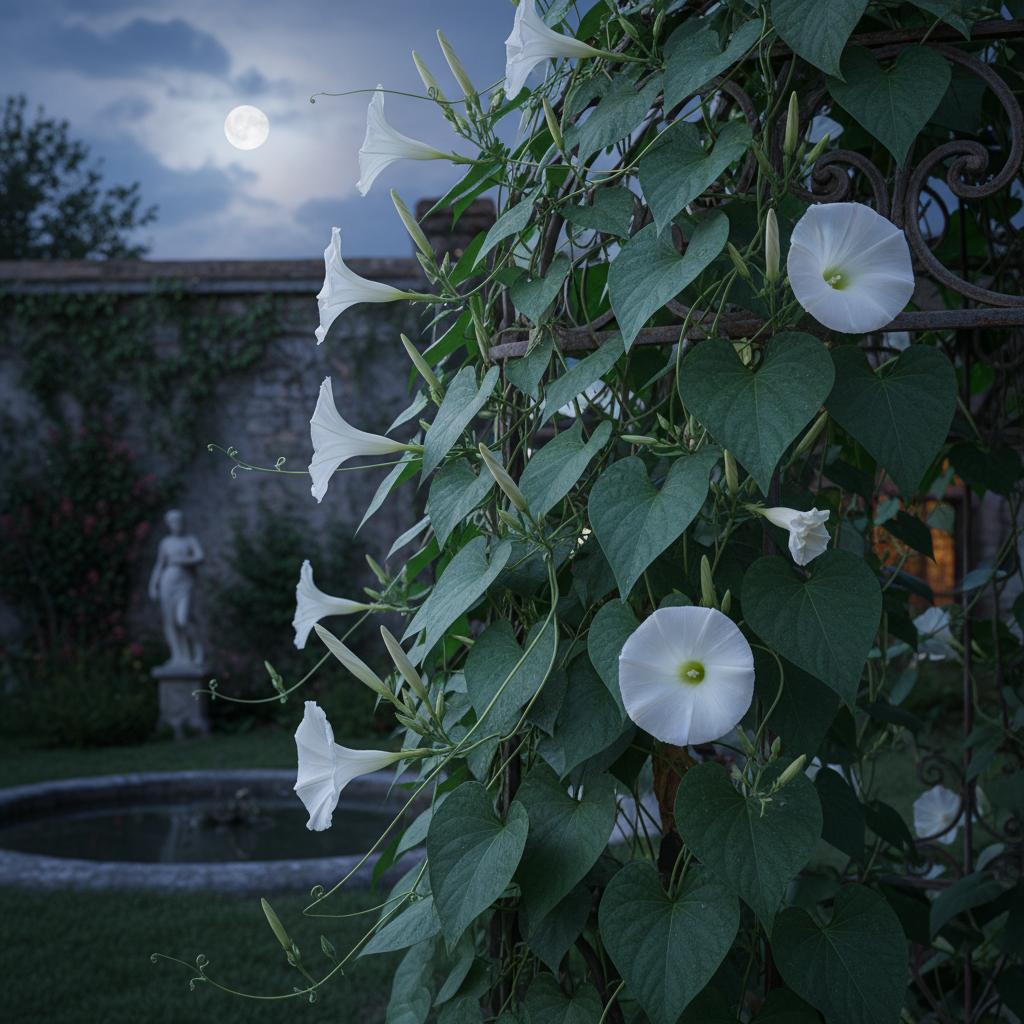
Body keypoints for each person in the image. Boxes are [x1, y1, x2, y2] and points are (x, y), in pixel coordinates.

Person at [148, 509, 205, 668]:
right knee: (170, 621)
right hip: (168, 582)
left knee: (183, 619)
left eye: (178, 521)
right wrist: (153, 585)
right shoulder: (166, 543)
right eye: (173, 522)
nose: (176, 525)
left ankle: (198, 649)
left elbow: (200, 557)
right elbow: (159, 565)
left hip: (185, 583)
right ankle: (179, 656)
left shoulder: (190, 540)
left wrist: (182, 560)